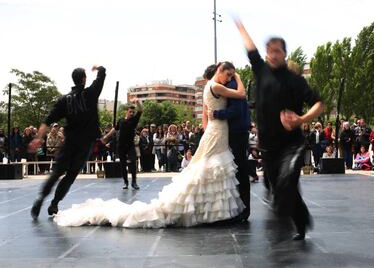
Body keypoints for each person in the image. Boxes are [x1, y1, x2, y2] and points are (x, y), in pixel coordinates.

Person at [53, 61, 247, 228]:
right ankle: (213, 212)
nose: (228, 78)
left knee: (209, 170)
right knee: (211, 169)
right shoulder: (217, 86)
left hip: (215, 130)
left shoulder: (208, 87)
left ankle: (212, 211)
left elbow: (205, 120)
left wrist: (211, 125)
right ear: (220, 71)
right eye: (228, 74)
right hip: (217, 131)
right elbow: (241, 93)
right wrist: (238, 77)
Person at [235, 19, 324, 240]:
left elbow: (319, 104)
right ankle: (301, 221)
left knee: (287, 181)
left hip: (292, 144)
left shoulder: (295, 80)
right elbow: (251, 49)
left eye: (277, 51)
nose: (273, 55)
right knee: (280, 187)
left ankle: (291, 219)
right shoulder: (261, 71)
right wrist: (240, 26)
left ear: (284, 53)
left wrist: (301, 118)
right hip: (268, 145)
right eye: (269, 51)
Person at [30, 65, 106, 219]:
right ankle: (55, 203)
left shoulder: (64, 100)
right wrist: (99, 68)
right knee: (70, 175)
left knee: (57, 171)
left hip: (70, 142)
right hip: (85, 144)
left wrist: (38, 138)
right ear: (84, 79)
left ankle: (40, 198)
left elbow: (48, 120)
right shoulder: (91, 93)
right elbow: (102, 75)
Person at [207, 66, 251, 221]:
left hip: (237, 131)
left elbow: (236, 110)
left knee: (239, 169)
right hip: (236, 130)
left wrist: (216, 114)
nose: (227, 77)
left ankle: (243, 211)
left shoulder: (231, 85)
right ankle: (240, 210)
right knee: (236, 169)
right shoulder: (229, 84)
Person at [102, 100, 142, 189]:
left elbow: (140, 110)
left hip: (130, 145)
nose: (132, 113)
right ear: (126, 111)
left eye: (133, 112)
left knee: (133, 162)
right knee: (123, 164)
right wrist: (106, 137)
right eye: (130, 111)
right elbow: (115, 129)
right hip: (121, 146)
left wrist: (137, 102)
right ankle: (125, 182)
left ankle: (134, 182)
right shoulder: (121, 120)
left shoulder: (134, 120)